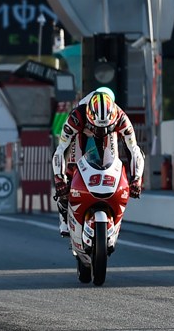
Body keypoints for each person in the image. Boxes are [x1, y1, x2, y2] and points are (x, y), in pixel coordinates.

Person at [51, 89, 144, 236]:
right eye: (97, 128)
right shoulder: (76, 117)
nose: (100, 132)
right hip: (81, 132)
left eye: (105, 128)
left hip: (110, 134)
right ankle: (64, 214)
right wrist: (59, 178)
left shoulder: (121, 117)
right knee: (71, 168)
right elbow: (61, 149)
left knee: (111, 162)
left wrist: (137, 179)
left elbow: (134, 150)